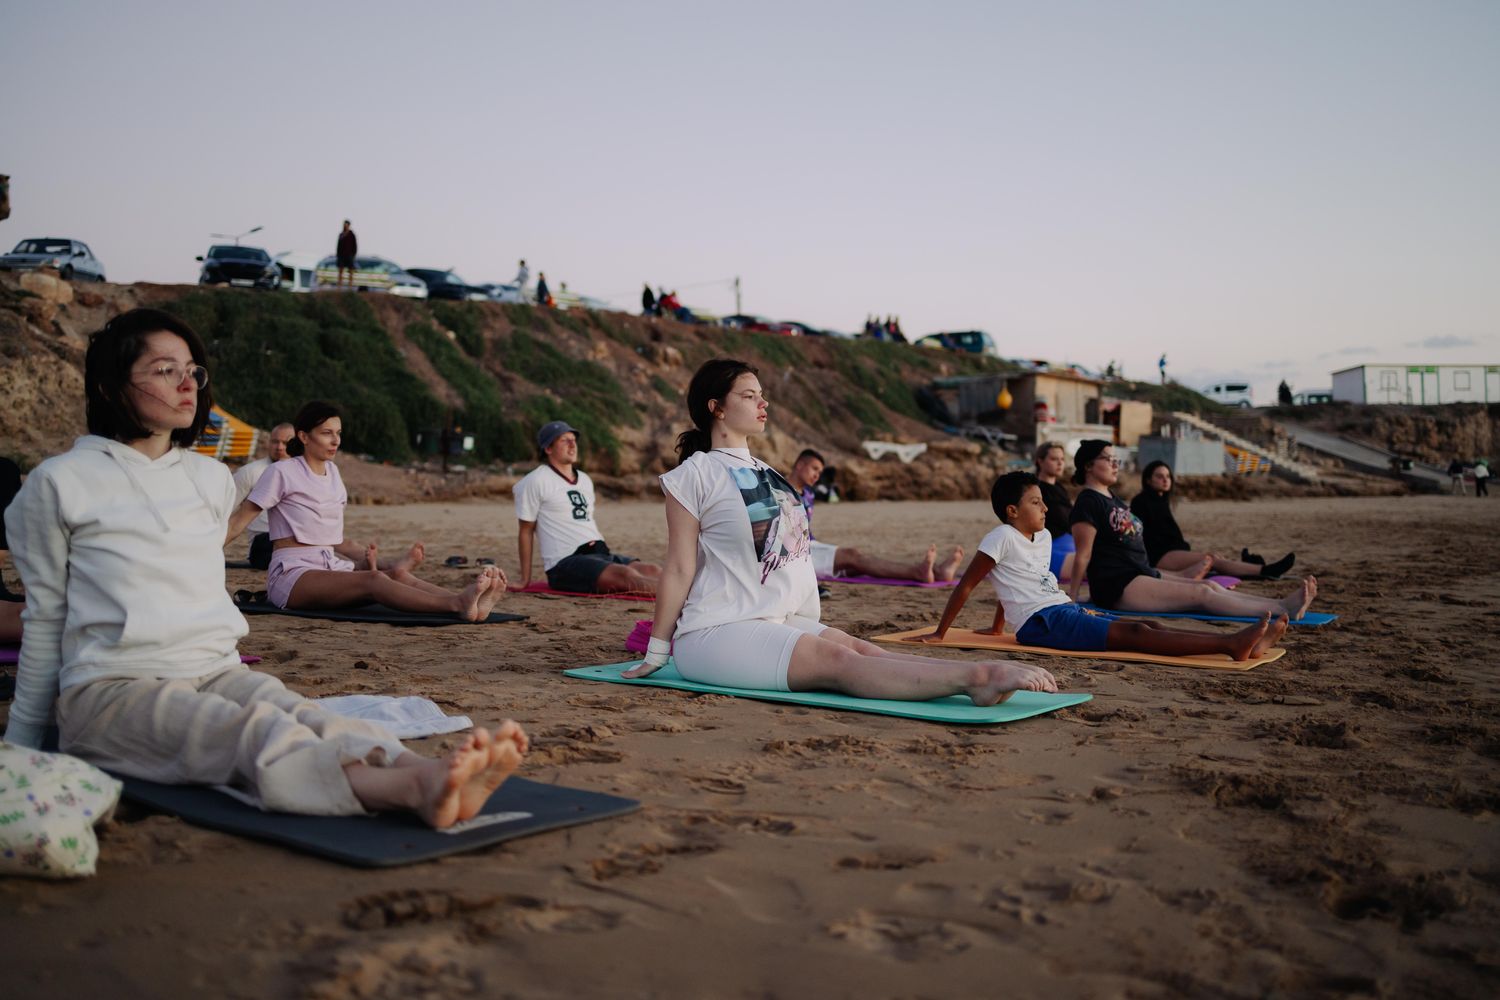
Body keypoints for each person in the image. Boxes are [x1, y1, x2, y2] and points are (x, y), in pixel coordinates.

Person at [1, 307, 527, 826]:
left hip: (215, 669)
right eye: (165, 370)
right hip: (113, 688)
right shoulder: (59, 483)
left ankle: (418, 767)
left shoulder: (208, 479)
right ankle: (411, 790)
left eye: (193, 371)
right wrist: (21, 744)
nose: (187, 384)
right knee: (248, 734)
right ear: (110, 388)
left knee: (303, 713)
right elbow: (45, 621)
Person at [621, 359, 1058, 703]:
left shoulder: (768, 473)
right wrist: (658, 652)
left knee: (861, 649)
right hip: (716, 630)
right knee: (835, 659)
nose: (762, 404)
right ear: (716, 407)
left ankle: (969, 677)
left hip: (774, 616)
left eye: (762, 395)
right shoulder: (694, 474)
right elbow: (679, 568)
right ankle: (978, 678)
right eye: (749, 396)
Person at [918, 472, 1287, 660]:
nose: (1045, 508)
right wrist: (940, 633)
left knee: (1150, 625)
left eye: (1043, 501)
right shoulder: (1000, 536)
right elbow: (967, 585)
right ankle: (1231, 645)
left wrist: (999, 627)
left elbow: (1020, 581)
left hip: (1063, 609)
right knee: (1136, 634)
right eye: (1035, 502)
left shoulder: (1042, 538)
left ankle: (1247, 646)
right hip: (1043, 624)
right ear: (1012, 511)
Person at [225, 401, 507, 618]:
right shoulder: (282, 472)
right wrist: (205, 554)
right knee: (374, 579)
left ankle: (469, 601)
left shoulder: (333, 474)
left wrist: (368, 558)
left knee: (396, 574)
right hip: (292, 575)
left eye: (338, 433)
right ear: (304, 436)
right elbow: (239, 521)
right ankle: (456, 604)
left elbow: (336, 539)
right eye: (326, 433)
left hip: (330, 565)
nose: (336, 441)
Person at [1067, 440, 1317, 619]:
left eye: (1116, 459)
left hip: (1140, 573)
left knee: (1210, 586)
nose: (1115, 464)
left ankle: (1279, 603)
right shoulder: (1088, 501)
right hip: (1118, 584)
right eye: (1108, 459)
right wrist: (1074, 597)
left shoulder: (1112, 498)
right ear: (1089, 465)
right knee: (1201, 593)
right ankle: (1282, 610)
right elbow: (1083, 555)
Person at [510, 421, 661, 595]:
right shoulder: (534, 481)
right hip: (565, 562)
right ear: (548, 448)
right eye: (564, 440)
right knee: (626, 575)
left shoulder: (584, 479)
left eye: (573, 440)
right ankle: (679, 595)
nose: (572, 444)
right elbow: (526, 531)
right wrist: (525, 579)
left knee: (652, 570)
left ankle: (684, 592)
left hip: (599, 552)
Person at [786, 448, 963, 583]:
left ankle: (936, 572)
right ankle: (919, 572)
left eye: (819, 472)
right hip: (792, 553)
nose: (817, 476)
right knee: (852, 556)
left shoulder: (808, 494)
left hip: (809, 545)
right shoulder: (778, 490)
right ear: (800, 465)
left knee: (856, 564)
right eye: (814, 469)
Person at [1130, 461, 1295, 579]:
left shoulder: (1161, 500)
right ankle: (1266, 570)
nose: (1165, 480)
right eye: (1159, 476)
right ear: (1148, 480)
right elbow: (1139, 534)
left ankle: (1251, 566)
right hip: (1159, 555)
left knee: (1215, 559)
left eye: (1168, 476)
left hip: (1171, 552)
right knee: (1212, 560)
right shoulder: (1141, 501)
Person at [231, 422, 295, 569]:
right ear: (268, 443)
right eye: (275, 442)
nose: (279, 447)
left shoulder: (304, 472)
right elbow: (225, 508)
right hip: (263, 545)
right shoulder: (250, 472)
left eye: (285, 443)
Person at [1033, 442, 1078, 583]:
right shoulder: (1035, 490)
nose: (1060, 463)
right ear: (1040, 461)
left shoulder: (1059, 488)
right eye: (1054, 459)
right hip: (1051, 549)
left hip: (1071, 545)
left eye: (1062, 459)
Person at [335, 220, 357, 289]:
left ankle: (350, 287)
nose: (345, 226)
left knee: (350, 271)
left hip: (349, 255)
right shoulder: (341, 235)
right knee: (340, 271)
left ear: (349, 226)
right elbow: (338, 246)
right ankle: (339, 286)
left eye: (346, 225)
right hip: (341, 256)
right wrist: (338, 255)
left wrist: (353, 255)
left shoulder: (352, 235)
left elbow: (355, 246)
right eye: (344, 225)